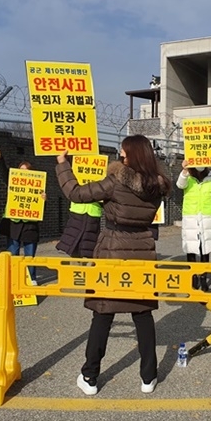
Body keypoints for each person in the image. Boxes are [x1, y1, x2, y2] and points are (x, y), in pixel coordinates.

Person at [56, 135, 171, 397]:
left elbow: (75, 193)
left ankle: (90, 376)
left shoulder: (115, 181)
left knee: (103, 313)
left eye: (124, 153)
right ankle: (148, 377)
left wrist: (63, 163)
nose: (120, 156)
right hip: (143, 247)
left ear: (133, 155)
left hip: (112, 248)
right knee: (142, 314)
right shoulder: (157, 187)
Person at [0, 146, 41, 284]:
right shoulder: (12, 182)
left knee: (30, 255)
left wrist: (43, 198)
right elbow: (4, 173)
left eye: (26, 171)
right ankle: (14, 278)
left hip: (30, 224)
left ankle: (31, 279)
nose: (23, 174)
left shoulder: (37, 186)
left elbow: (40, 205)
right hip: (13, 222)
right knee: (13, 253)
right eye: (21, 171)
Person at [176, 160, 211, 290]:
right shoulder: (188, 176)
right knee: (191, 248)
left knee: (205, 248)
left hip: (206, 216)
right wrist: (184, 171)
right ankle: (193, 277)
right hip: (190, 216)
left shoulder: (209, 177)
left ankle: (203, 277)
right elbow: (180, 184)